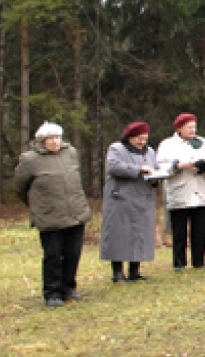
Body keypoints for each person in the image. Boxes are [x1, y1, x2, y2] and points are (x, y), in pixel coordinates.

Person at [14, 121, 92, 308]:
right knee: (53, 256)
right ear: (42, 141)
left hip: (75, 213)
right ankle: (52, 292)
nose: (55, 142)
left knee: (73, 253)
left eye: (57, 138)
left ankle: (68, 288)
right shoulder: (30, 159)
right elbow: (19, 187)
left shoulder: (71, 153)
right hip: (49, 216)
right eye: (50, 139)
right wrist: (37, 205)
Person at [156, 113, 205, 271]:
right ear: (179, 128)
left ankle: (199, 261)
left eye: (194, 126)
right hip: (180, 191)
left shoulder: (204, 143)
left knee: (200, 229)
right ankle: (179, 262)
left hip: (201, 190)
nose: (193, 130)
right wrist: (181, 165)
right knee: (179, 230)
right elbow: (161, 168)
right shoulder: (167, 145)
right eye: (189, 127)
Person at [99, 121, 159, 282]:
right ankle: (117, 272)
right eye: (138, 138)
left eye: (145, 138)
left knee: (140, 235)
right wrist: (138, 169)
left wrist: (155, 179)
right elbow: (113, 167)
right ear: (130, 137)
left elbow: (156, 169)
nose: (142, 142)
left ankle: (135, 270)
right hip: (121, 198)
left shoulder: (150, 151)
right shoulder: (116, 149)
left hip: (142, 198)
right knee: (119, 235)